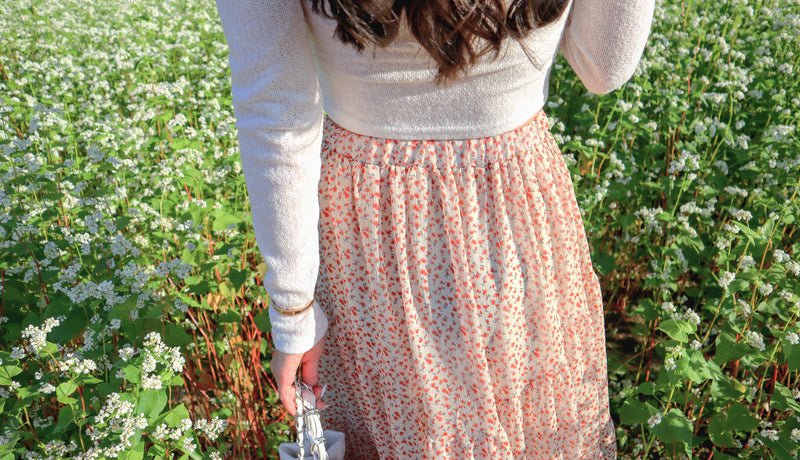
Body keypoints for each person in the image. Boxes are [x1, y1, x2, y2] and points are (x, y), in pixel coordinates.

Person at [216, 0, 654, 458]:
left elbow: (275, 109)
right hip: (513, 205)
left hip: (367, 224)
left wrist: (293, 311)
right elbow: (603, 66)